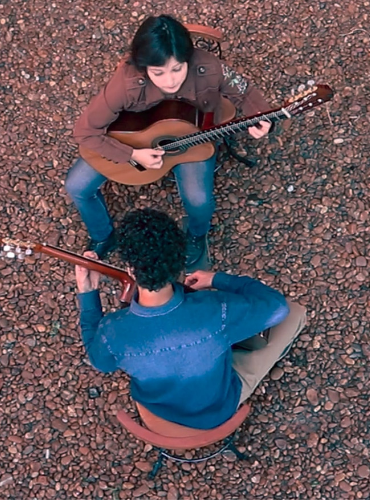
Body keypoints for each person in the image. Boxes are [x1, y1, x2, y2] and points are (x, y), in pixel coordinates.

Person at [67, 15, 273, 269]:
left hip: (193, 138)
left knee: (199, 201)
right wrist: (131, 154)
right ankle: (103, 236)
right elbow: (85, 132)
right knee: (77, 186)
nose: (170, 81)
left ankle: (197, 235)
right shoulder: (125, 84)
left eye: (177, 68)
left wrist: (262, 118)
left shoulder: (210, 67)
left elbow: (245, 91)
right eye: (158, 72)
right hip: (136, 139)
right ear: (144, 67)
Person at [74, 208, 307, 429]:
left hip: (158, 410)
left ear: (131, 270)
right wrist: (217, 279)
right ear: (178, 263)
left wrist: (88, 294)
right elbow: (276, 308)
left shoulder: (111, 331)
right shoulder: (214, 309)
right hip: (217, 409)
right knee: (295, 313)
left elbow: (100, 362)